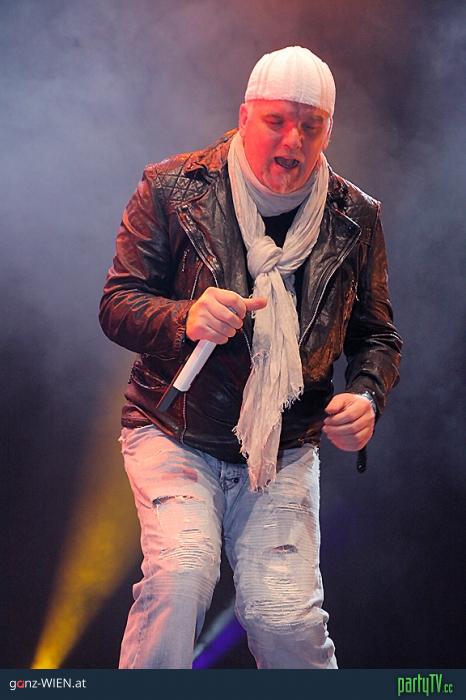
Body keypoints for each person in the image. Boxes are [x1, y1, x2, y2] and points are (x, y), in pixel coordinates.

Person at [99, 46, 402, 669]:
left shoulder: (355, 217)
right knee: (180, 576)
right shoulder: (172, 188)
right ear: (244, 117)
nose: (292, 141)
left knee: (284, 619)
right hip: (174, 430)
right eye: (276, 121)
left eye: (310, 125)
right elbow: (117, 303)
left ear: (328, 132)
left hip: (284, 446)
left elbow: (377, 335)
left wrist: (366, 395)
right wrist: (185, 316)